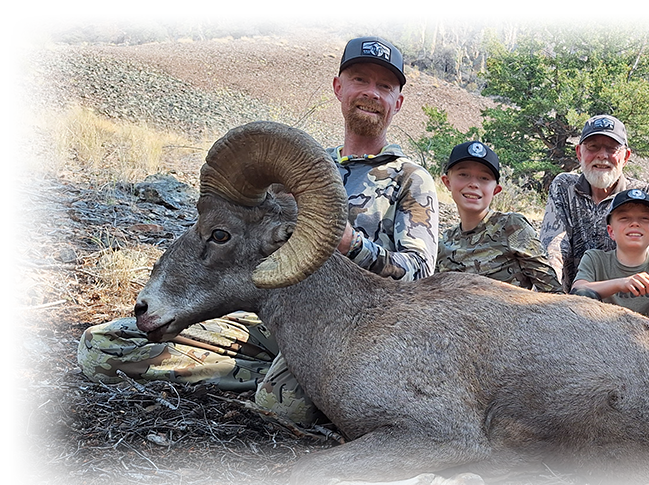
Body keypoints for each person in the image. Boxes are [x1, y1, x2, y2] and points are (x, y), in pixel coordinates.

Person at [76, 36, 439, 426]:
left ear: (397, 102)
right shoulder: (296, 170)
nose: (371, 93)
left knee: (284, 405)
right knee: (104, 349)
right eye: (360, 80)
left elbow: (419, 275)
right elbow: (230, 233)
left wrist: (350, 243)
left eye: (384, 87)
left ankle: (276, 381)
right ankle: (265, 373)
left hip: (350, 332)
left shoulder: (410, 179)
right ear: (339, 87)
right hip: (267, 316)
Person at [540, 114, 649, 291]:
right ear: (579, 153)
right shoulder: (564, 187)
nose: (602, 156)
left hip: (622, 297)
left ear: (626, 157)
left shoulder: (645, 195)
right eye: (593, 147)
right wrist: (549, 296)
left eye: (612, 149)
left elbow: (640, 256)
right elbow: (555, 246)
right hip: (568, 299)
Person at [436, 140, 561, 292]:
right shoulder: (444, 243)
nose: (473, 184)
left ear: (496, 190)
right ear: (447, 182)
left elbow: (552, 292)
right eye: (463, 174)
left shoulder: (512, 226)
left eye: (484, 178)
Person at [571, 189, 649, 320]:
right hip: (600, 334)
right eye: (624, 218)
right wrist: (622, 283)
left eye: (644, 218)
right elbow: (579, 290)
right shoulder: (595, 259)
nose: (635, 224)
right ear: (611, 231)